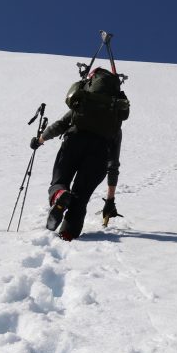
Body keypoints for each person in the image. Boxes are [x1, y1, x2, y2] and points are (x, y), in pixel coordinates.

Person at [29, 67, 129, 240]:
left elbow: (60, 124)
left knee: (59, 182)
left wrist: (40, 139)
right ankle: (68, 233)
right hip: (100, 153)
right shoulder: (115, 119)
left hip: (74, 142)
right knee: (80, 198)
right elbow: (114, 165)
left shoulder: (84, 104)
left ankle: (60, 195)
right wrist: (110, 200)